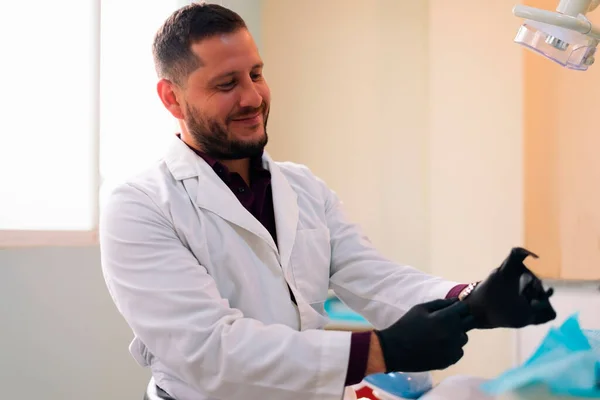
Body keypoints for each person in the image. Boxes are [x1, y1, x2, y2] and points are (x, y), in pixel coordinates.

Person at [98, 3, 557, 400]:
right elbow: (210, 350)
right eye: (226, 84)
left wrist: (472, 301)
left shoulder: (302, 187)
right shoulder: (139, 207)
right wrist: (381, 351)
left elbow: (375, 279)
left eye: (256, 74)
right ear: (172, 99)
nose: (253, 97)